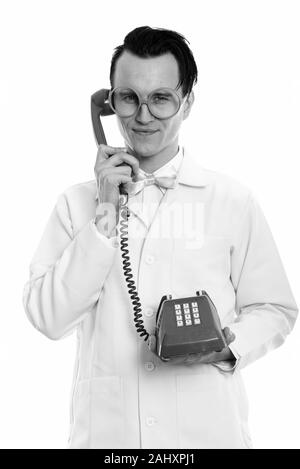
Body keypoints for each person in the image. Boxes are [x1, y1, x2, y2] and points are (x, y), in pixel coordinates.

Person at [23, 26, 298, 449]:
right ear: (109, 103)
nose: (143, 115)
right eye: (128, 97)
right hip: (111, 440)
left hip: (207, 434)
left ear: (186, 102)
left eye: (161, 98)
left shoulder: (232, 201)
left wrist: (226, 347)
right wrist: (104, 215)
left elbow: (275, 307)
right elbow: (48, 318)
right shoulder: (75, 204)